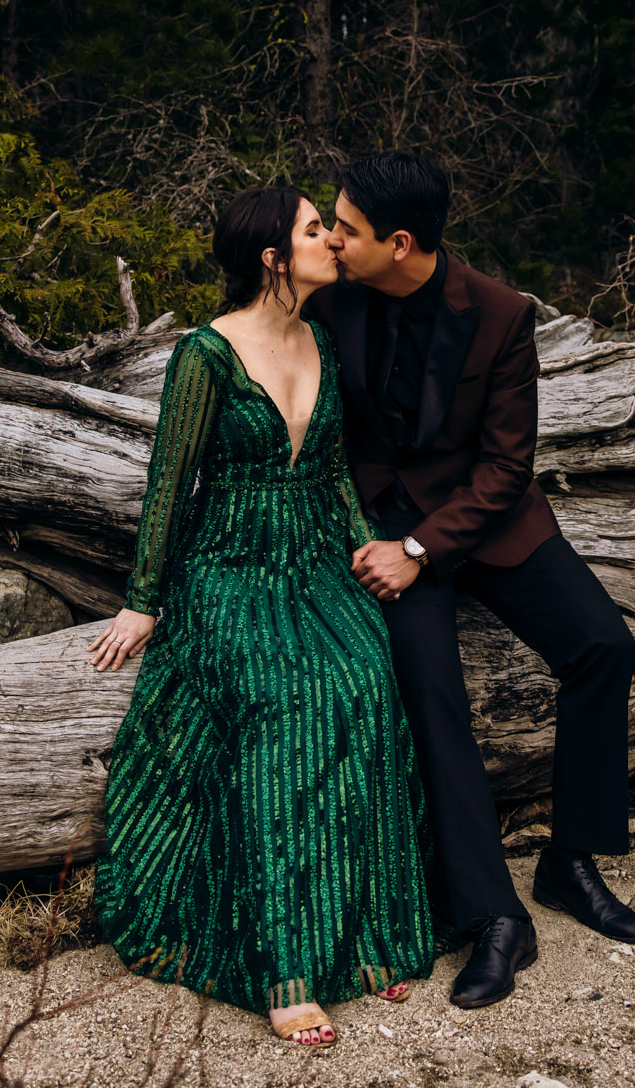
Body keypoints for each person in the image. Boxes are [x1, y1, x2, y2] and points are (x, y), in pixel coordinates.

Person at [88, 186, 436, 1047]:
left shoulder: (323, 336)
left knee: (362, 677)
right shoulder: (204, 355)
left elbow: (335, 475)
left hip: (313, 558)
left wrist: (367, 550)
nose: (331, 240)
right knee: (283, 701)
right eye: (314, 230)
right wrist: (144, 601)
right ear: (273, 258)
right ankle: (285, 968)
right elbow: (171, 483)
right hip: (228, 567)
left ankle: (363, 939)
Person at [305, 151, 635, 1011]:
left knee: (603, 646)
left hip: (480, 521)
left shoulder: (500, 314)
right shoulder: (332, 295)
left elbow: (506, 469)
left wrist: (421, 549)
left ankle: (570, 862)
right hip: (379, 522)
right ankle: (496, 918)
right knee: (434, 693)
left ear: (401, 241)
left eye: (347, 229)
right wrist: (372, 537)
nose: (334, 239)